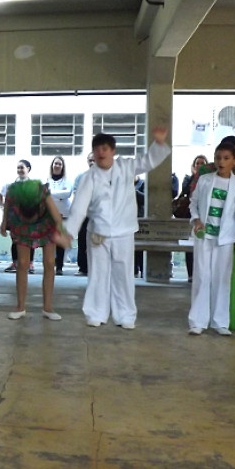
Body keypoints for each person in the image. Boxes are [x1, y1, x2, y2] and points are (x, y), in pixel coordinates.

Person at [59, 127, 170, 329]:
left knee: (124, 275)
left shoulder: (126, 167)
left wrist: (159, 144)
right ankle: (95, 313)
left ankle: (125, 315)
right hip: (98, 233)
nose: (100, 153)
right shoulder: (89, 177)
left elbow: (148, 161)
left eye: (104, 149)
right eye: (96, 149)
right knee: (98, 274)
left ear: (113, 151)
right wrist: (69, 233)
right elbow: (79, 207)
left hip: (124, 231)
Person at [187, 143, 235, 335]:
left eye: (226, 158)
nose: (221, 162)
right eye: (218, 158)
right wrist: (196, 219)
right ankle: (197, 321)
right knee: (202, 276)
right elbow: (193, 203)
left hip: (225, 238)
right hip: (204, 236)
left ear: (234, 161)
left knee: (222, 278)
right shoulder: (205, 180)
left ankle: (220, 322)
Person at [0, 179, 65, 321]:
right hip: (21, 225)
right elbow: (7, 204)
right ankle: (20, 307)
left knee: (49, 262)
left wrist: (63, 236)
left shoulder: (43, 192)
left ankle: (47, 308)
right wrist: (4, 222)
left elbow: (57, 218)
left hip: (46, 224)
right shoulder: (13, 192)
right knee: (22, 264)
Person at [0, 159, 34, 273]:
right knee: (15, 241)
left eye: (22, 167)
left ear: (28, 169)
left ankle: (30, 264)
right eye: (18, 168)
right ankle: (15, 263)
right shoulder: (10, 185)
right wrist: (2, 206)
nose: (20, 170)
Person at [176, 155, 208, 282]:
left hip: (205, 216)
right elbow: (185, 192)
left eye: (202, 163)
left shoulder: (209, 179)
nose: (199, 166)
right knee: (190, 245)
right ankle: (190, 274)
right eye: (197, 163)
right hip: (190, 216)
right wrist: (194, 177)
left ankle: (202, 273)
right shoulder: (187, 179)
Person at [46, 156, 72, 275]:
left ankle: (60, 267)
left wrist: (51, 193)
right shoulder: (47, 180)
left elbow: (67, 194)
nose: (57, 166)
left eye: (59, 164)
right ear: (52, 165)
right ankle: (51, 265)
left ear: (63, 167)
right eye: (55, 163)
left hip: (64, 215)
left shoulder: (67, 181)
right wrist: (59, 195)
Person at [71, 152, 95, 276]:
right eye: (90, 160)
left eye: (94, 160)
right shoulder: (81, 177)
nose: (92, 162)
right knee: (83, 241)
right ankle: (83, 268)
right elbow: (76, 192)